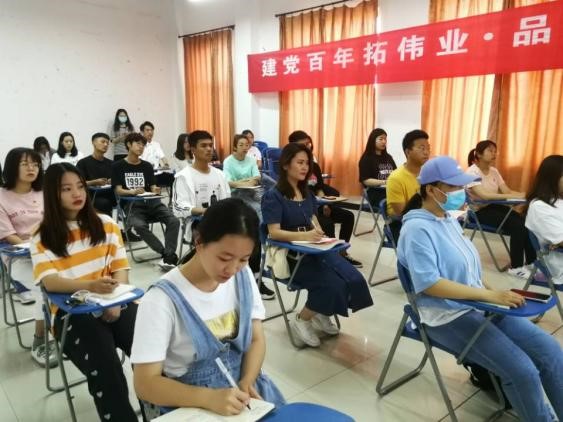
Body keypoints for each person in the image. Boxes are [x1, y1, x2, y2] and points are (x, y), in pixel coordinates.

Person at [398, 155, 563, 422]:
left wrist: (497, 295)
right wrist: (490, 295)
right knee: (522, 371)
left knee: (551, 352)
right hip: (446, 315)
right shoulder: (416, 229)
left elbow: (469, 270)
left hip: (478, 305)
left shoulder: (448, 219)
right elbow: (430, 284)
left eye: (461, 186)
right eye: (453, 187)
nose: (460, 192)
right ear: (431, 190)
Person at [131, 198, 285, 419]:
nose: (233, 269)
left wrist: (247, 381)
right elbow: (145, 384)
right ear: (199, 241)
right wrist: (209, 398)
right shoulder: (161, 300)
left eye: (244, 259)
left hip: (243, 391)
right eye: (224, 258)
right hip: (191, 402)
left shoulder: (242, 277)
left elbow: (256, 339)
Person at [30, 163, 138, 421]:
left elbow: (120, 269)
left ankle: (161, 410)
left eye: (79, 186)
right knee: (106, 366)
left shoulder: (106, 224)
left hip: (113, 301)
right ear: (52, 194)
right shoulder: (42, 236)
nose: (77, 193)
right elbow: (51, 282)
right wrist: (90, 287)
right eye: (66, 189)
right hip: (72, 312)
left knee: (151, 349)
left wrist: (115, 302)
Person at [262, 143, 373, 347]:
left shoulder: (307, 194)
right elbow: (274, 232)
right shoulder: (274, 196)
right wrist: (305, 236)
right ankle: (302, 319)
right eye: (300, 162)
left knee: (353, 278)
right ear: (286, 165)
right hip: (291, 255)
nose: (305, 167)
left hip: (314, 250)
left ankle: (321, 310)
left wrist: (321, 234)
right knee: (332, 284)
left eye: (307, 163)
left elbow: (314, 221)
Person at [0, 148, 55, 367]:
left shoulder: (44, 193)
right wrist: (35, 247)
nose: (32, 168)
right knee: (44, 288)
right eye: (25, 164)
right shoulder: (2, 197)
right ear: (12, 167)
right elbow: (10, 237)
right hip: (18, 257)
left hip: (51, 253)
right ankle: (40, 340)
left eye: (35, 164)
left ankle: (67, 331)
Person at [288, 130, 362, 268]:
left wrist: (326, 204)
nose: (308, 147)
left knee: (348, 216)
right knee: (327, 223)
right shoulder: (292, 169)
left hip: (319, 205)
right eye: (304, 144)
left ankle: (342, 253)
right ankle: (331, 257)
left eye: (309, 144)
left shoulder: (314, 166)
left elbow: (320, 188)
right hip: (306, 210)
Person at [466, 140, 535, 278]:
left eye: (495, 151)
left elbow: (506, 191)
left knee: (526, 222)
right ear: (478, 154)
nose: (494, 153)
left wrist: (527, 195)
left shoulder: (494, 171)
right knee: (517, 226)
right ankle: (516, 267)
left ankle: (532, 262)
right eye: (490, 150)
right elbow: (484, 195)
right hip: (478, 212)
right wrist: (511, 196)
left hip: (493, 206)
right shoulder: (472, 172)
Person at [112, 133, 180, 270]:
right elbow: (118, 190)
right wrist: (132, 192)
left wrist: (156, 189)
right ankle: (166, 253)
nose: (141, 147)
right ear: (129, 145)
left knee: (174, 221)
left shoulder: (147, 166)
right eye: (138, 144)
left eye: (143, 145)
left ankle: (168, 255)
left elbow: (152, 186)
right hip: (133, 205)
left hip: (152, 202)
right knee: (139, 225)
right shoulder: (118, 166)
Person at [223, 134, 275, 299]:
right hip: (236, 196)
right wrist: (246, 182)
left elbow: (257, 178)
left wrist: (247, 182)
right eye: (241, 145)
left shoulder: (251, 160)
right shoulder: (228, 161)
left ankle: (257, 275)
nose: (245, 147)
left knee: (266, 209)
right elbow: (228, 182)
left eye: (247, 145)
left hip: (252, 194)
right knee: (256, 222)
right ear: (235, 146)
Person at [173, 130, 230, 239]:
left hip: (221, 220)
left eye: (210, 145)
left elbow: (227, 200)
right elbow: (179, 207)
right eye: (203, 146)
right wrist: (204, 211)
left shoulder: (220, 174)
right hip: (197, 222)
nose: (209, 149)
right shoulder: (183, 177)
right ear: (193, 150)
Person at [386, 129, 430, 242]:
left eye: (428, 148)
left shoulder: (429, 173)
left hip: (425, 220)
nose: (426, 152)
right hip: (401, 224)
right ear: (408, 152)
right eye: (422, 148)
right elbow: (402, 214)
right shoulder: (396, 178)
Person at [525, 155, 563, 284]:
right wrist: (559, 241)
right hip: (559, 267)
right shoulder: (540, 206)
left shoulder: (559, 200)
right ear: (552, 178)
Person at [77, 133, 115, 217]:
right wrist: (94, 182)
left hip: (110, 194)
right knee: (104, 203)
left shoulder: (111, 163)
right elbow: (79, 183)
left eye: (107, 143)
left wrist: (113, 181)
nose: (106, 145)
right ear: (94, 143)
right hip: (91, 195)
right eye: (103, 142)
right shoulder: (83, 163)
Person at [359, 128, 397, 208]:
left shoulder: (388, 157)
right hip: (376, 192)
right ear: (373, 140)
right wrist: (385, 182)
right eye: (381, 139)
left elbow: (396, 173)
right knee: (398, 203)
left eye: (385, 139)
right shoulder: (366, 158)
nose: (384, 141)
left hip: (391, 190)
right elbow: (366, 180)